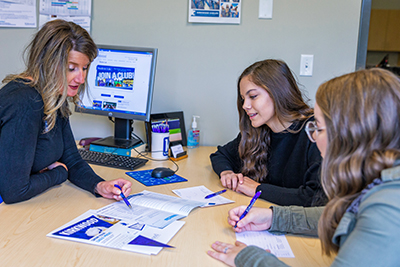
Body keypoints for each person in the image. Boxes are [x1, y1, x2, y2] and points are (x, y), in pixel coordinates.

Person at [208, 68, 400, 266]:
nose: (314, 137)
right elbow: (337, 214)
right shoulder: (377, 184)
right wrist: (273, 217)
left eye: (318, 127)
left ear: (352, 132)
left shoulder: (386, 207)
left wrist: (251, 259)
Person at [0, 20, 132, 204]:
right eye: (72, 68)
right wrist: (59, 173)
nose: (81, 78)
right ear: (47, 63)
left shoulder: (54, 95)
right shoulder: (25, 101)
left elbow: (71, 158)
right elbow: (15, 191)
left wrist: (100, 186)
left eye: (84, 68)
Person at [210, 59, 322, 206]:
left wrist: (258, 189)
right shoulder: (257, 130)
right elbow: (221, 154)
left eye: (253, 96)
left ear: (278, 92)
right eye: (243, 99)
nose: (245, 106)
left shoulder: (315, 131)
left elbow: (315, 197)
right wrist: (227, 173)